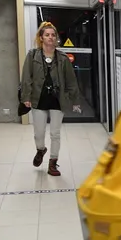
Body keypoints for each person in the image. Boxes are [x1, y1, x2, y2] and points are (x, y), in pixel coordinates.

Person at [20, 21, 83, 176]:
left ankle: (53, 163)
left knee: (55, 134)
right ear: (41, 38)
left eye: (53, 35)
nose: (50, 37)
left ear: (56, 38)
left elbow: (71, 80)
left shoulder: (63, 58)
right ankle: (40, 150)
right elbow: (26, 77)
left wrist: (75, 100)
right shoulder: (32, 55)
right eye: (47, 35)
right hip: (38, 98)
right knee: (39, 133)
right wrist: (26, 97)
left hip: (57, 99)